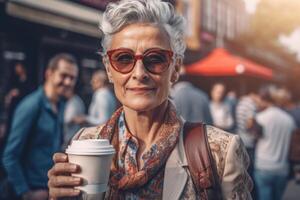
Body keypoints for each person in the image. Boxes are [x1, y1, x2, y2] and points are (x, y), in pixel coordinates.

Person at [47, 1, 252, 199]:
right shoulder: (84, 142)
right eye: (124, 58)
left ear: (175, 69)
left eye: (155, 59)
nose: (139, 73)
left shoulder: (220, 151)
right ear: (109, 69)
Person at [2, 53, 78, 200]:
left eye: (72, 78)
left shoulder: (61, 104)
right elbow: (9, 156)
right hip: (32, 189)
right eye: (64, 75)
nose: (68, 82)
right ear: (49, 74)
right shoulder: (31, 106)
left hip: (50, 188)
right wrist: (26, 193)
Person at [254, 86, 296, 200]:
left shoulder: (260, 117)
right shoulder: (289, 120)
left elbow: (254, 138)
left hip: (263, 166)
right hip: (282, 167)